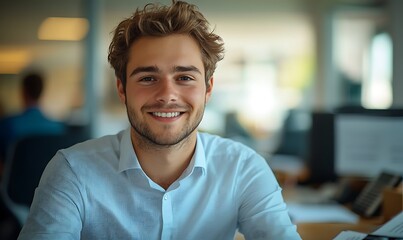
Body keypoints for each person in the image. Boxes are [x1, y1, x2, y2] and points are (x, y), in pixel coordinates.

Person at [18, 1, 301, 239]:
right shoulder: (73, 171)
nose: (167, 95)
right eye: (148, 78)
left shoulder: (243, 168)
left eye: (185, 78)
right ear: (122, 89)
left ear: (208, 89)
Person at [0, 72, 66, 165]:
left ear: (24, 91)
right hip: (49, 177)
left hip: (18, 178)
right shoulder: (58, 128)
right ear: (42, 92)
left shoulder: (8, 125)